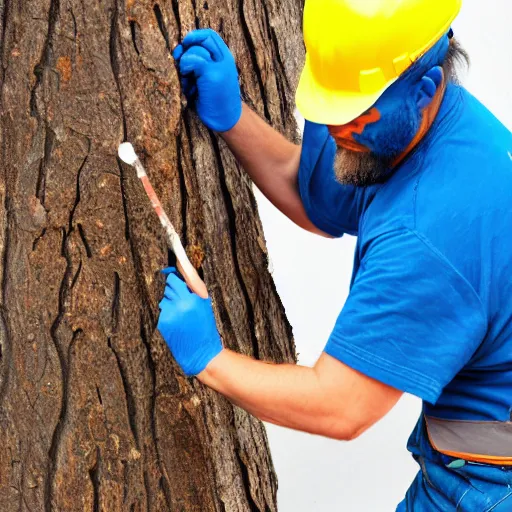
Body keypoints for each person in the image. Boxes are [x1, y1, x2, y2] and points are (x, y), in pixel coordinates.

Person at [158, 0, 512, 509]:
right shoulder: (410, 126)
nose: (337, 127)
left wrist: (210, 360)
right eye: (329, 107)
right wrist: (234, 119)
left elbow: (341, 407)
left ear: (427, 87)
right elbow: (315, 197)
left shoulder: (429, 235)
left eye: (355, 111)